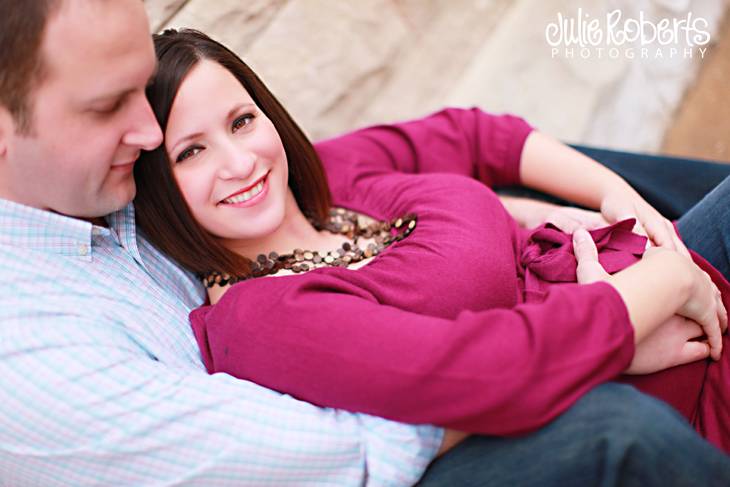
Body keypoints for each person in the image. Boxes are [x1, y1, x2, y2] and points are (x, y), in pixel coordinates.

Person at [1, 3, 729, 486]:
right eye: (186, 152)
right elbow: (345, 448)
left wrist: (542, 215)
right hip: (534, 397)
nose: (149, 131)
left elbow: (468, 138)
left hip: (614, 318)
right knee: (616, 429)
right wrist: (624, 317)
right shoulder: (39, 358)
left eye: (244, 121)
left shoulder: (288, 177)